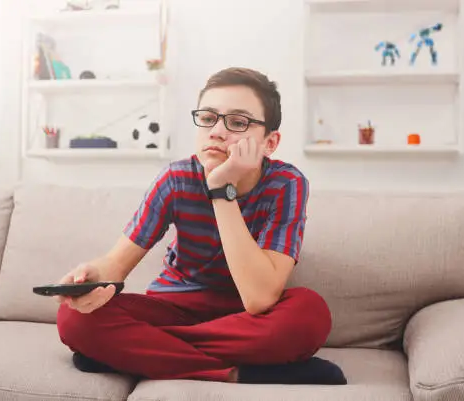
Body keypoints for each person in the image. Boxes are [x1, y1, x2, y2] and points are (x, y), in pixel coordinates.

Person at [55, 67, 347, 385]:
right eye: (208, 118)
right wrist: (92, 278)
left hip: (247, 318)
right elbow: (116, 263)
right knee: (73, 318)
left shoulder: (286, 184)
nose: (217, 131)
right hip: (175, 305)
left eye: (238, 122)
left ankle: (141, 353)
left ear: (270, 142)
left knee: (310, 314)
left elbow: (259, 297)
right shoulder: (176, 179)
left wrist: (222, 189)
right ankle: (236, 372)